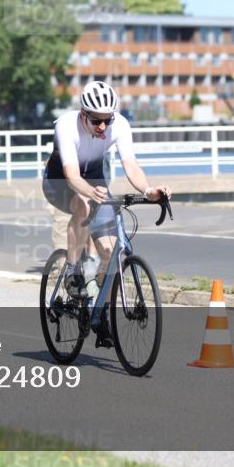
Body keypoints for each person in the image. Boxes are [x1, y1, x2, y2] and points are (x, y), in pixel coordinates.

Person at [42, 81, 171, 348]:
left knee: (109, 251)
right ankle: (72, 270)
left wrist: (149, 190)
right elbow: (72, 175)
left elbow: (130, 165)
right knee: (83, 205)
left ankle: (99, 315)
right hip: (59, 182)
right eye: (96, 121)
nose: (102, 127)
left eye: (107, 120)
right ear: (83, 114)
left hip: (95, 181)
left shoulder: (119, 125)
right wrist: (90, 192)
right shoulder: (66, 126)